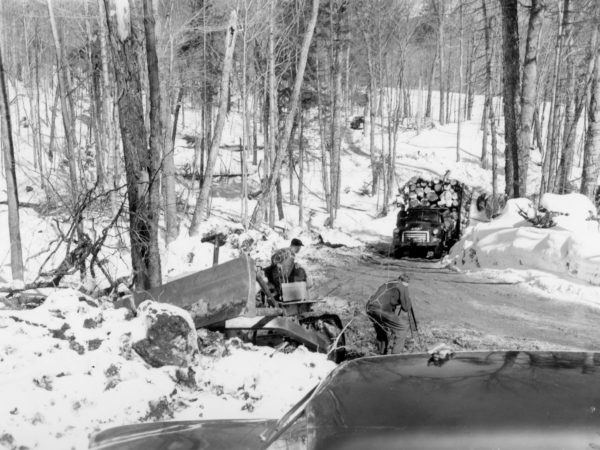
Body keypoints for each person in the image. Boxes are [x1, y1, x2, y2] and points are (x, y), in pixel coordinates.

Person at [366, 273, 418, 355]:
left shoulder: (388, 283)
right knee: (402, 327)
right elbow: (406, 307)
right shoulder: (402, 286)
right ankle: (395, 355)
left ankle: (381, 353)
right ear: (406, 282)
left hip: (370, 308)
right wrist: (407, 298)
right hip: (381, 310)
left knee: (382, 329)